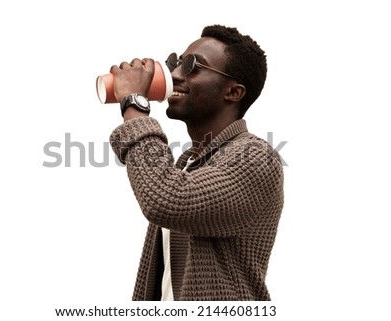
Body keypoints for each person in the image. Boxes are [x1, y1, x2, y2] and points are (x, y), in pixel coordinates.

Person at [108, 24, 284, 301]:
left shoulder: (255, 158)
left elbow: (165, 199)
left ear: (233, 92)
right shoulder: (188, 164)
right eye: (176, 62)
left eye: (192, 66)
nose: (175, 74)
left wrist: (134, 103)